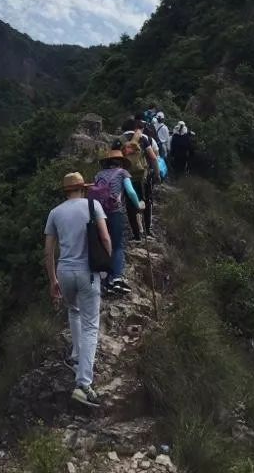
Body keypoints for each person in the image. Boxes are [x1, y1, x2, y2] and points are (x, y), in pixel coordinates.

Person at [44, 171, 112, 408]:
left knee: (73, 311)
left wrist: (53, 280)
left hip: (64, 272)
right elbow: (104, 238)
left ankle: (75, 356)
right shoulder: (93, 206)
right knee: (91, 325)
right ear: (83, 188)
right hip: (87, 273)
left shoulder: (55, 213)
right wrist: (107, 264)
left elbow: (48, 251)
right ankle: (83, 383)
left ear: (66, 191)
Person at [93, 149, 145, 295]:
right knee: (117, 245)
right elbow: (130, 191)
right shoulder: (123, 173)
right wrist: (138, 205)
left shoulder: (98, 175)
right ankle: (117, 279)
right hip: (116, 212)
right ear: (121, 162)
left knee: (104, 245)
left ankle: (105, 280)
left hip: (99, 214)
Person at [121, 116, 160, 241]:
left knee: (130, 205)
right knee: (147, 202)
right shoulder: (143, 139)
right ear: (135, 128)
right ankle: (148, 230)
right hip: (143, 177)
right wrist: (157, 173)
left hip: (127, 178)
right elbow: (153, 158)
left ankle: (136, 234)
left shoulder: (119, 140)